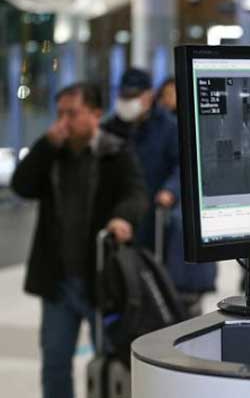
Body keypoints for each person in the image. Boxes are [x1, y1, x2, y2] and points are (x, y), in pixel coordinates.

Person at [10, 82, 148, 398]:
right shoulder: (51, 153)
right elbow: (22, 185)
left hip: (101, 278)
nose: (64, 122)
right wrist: (45, 145)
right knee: (55, 362)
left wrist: (122, 217)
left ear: (95, 114)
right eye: (60, 114)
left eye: (72, 113)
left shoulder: (115, 151)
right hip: (57, 280)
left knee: (111, 358)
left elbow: (137, 193)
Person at [103, 68, 181, 251]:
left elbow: (182, 166)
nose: (126, 101)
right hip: (119, 214)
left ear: (148, 97)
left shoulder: (169, 127)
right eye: (123, 95)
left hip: (155, 216)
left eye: (133, 96)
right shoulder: (110, 129)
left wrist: (170, 190)